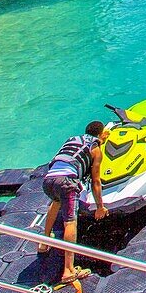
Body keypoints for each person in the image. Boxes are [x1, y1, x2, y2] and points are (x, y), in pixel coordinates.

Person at [39, 121, 109, 284]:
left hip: (49, 180)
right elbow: (96, 181)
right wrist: (100, 207)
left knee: (56, 203)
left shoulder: (72, 139)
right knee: (70, 221)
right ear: (100, 134)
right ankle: (68, 271)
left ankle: (44, 242)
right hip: (67, 182)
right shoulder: (95, 149)